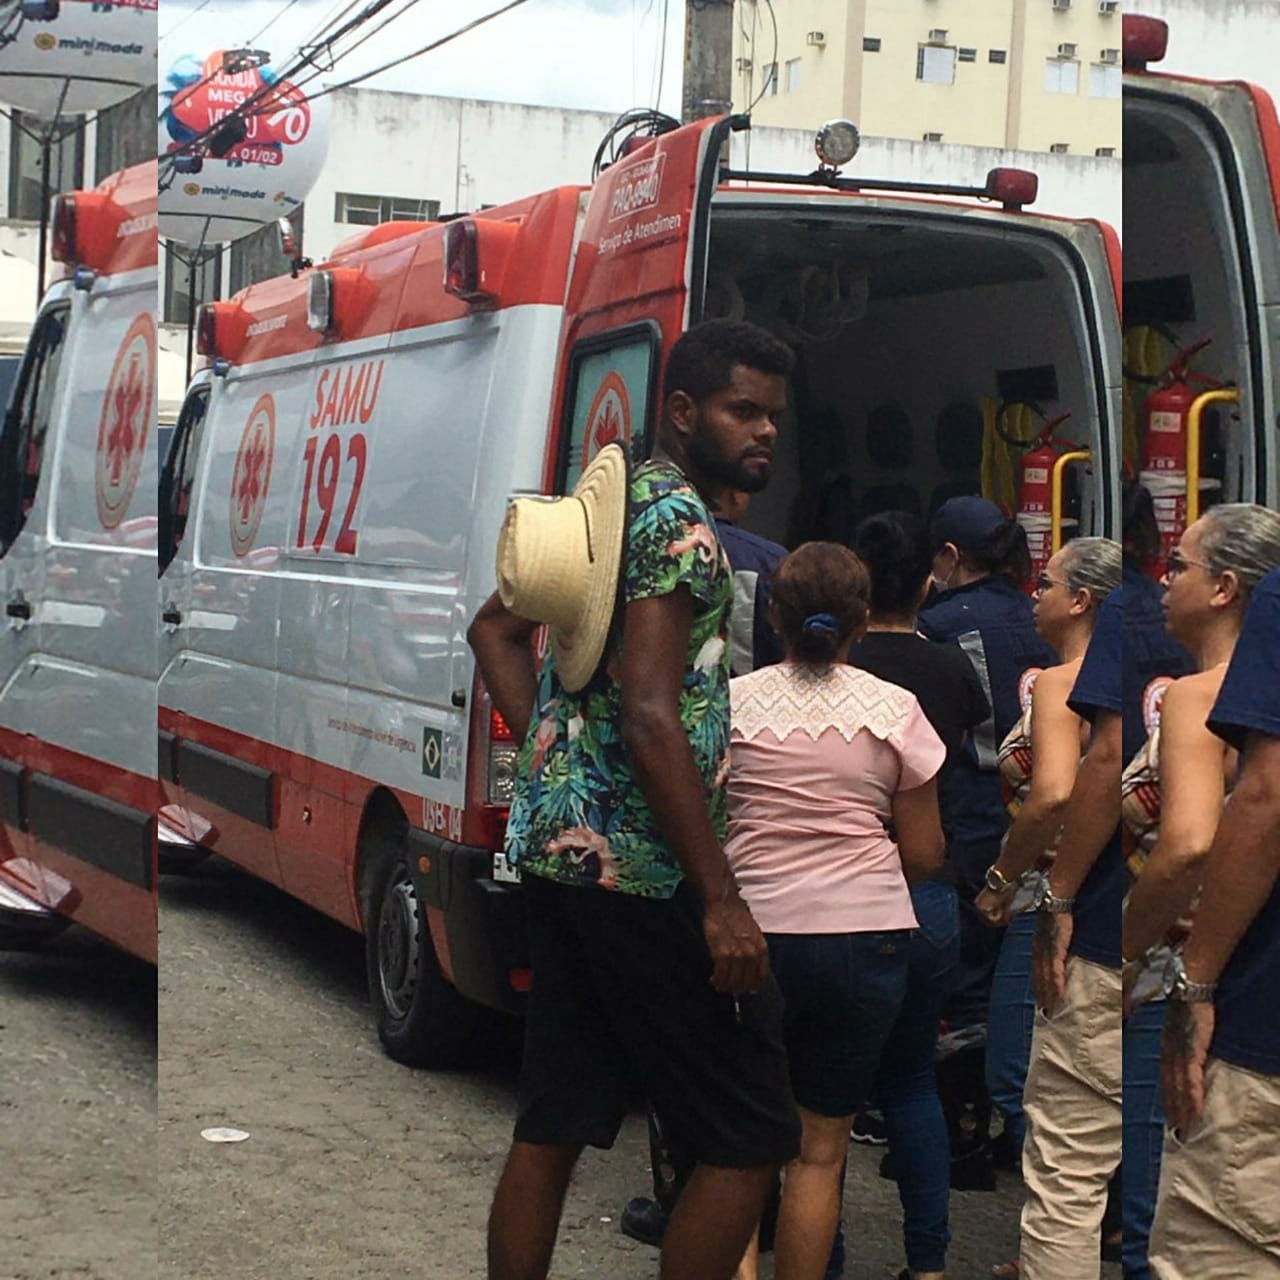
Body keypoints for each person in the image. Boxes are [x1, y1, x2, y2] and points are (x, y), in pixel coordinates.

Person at [467, 319, 801, 1280]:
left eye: (773, 416)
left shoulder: (609, 507)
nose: (765, 432)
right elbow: (653, 714)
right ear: (685, 410)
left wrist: (565, 767)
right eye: (743, 410)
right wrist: (722, 899)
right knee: (751, 1131)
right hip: (647, 874)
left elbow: (493, 631)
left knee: (554, 1121)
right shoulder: (681, 527)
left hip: (563, 858)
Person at [726, 541, 946, 1280]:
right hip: (864, 938)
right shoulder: (895, 710)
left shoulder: (732, 704)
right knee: (819, 1154)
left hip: (750, 934)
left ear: (773, 618)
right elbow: (924, 853)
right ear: (862, 621)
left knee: (738, 1145)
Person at [619, 486, 787, 1253]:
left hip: (659, 836)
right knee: (750, 1106)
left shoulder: (617, 539)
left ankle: (677, 1196)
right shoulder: (762, 559)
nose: (763, 438)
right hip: (708, 830)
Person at [1120, 506, 1280, 1280]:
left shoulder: (1198, 698)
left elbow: (1198, 837)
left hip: (1247, 998)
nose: (1162, 579)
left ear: (1225, 587)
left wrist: (1169, 969)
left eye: (1178, 565)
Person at [974, 538, 1122, 1280]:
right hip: (1101, 895)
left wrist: (1001, 877)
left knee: (1022, 1074)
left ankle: (1067, 1238)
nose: (1034, 594)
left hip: (1048, 894)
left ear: (1081, 600)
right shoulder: (1137, 685)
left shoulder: (1068, 686)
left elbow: (1052, 796)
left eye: (1048, 583)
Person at [850, 510, 991, 1280]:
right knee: (912, 1083)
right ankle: (928, 1263)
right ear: (929, 583)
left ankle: (820, 1259)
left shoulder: (833, 665)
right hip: (926, 893)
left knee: (824, 1096)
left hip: (841, 894)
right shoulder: (949, 670)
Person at [919, 497, 1055, 1033]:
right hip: (1044, 801)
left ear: (950, 556)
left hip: (973, 801)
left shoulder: (937, 625)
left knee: (973, 954)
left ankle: (972, 1066)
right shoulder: (1041, 613)